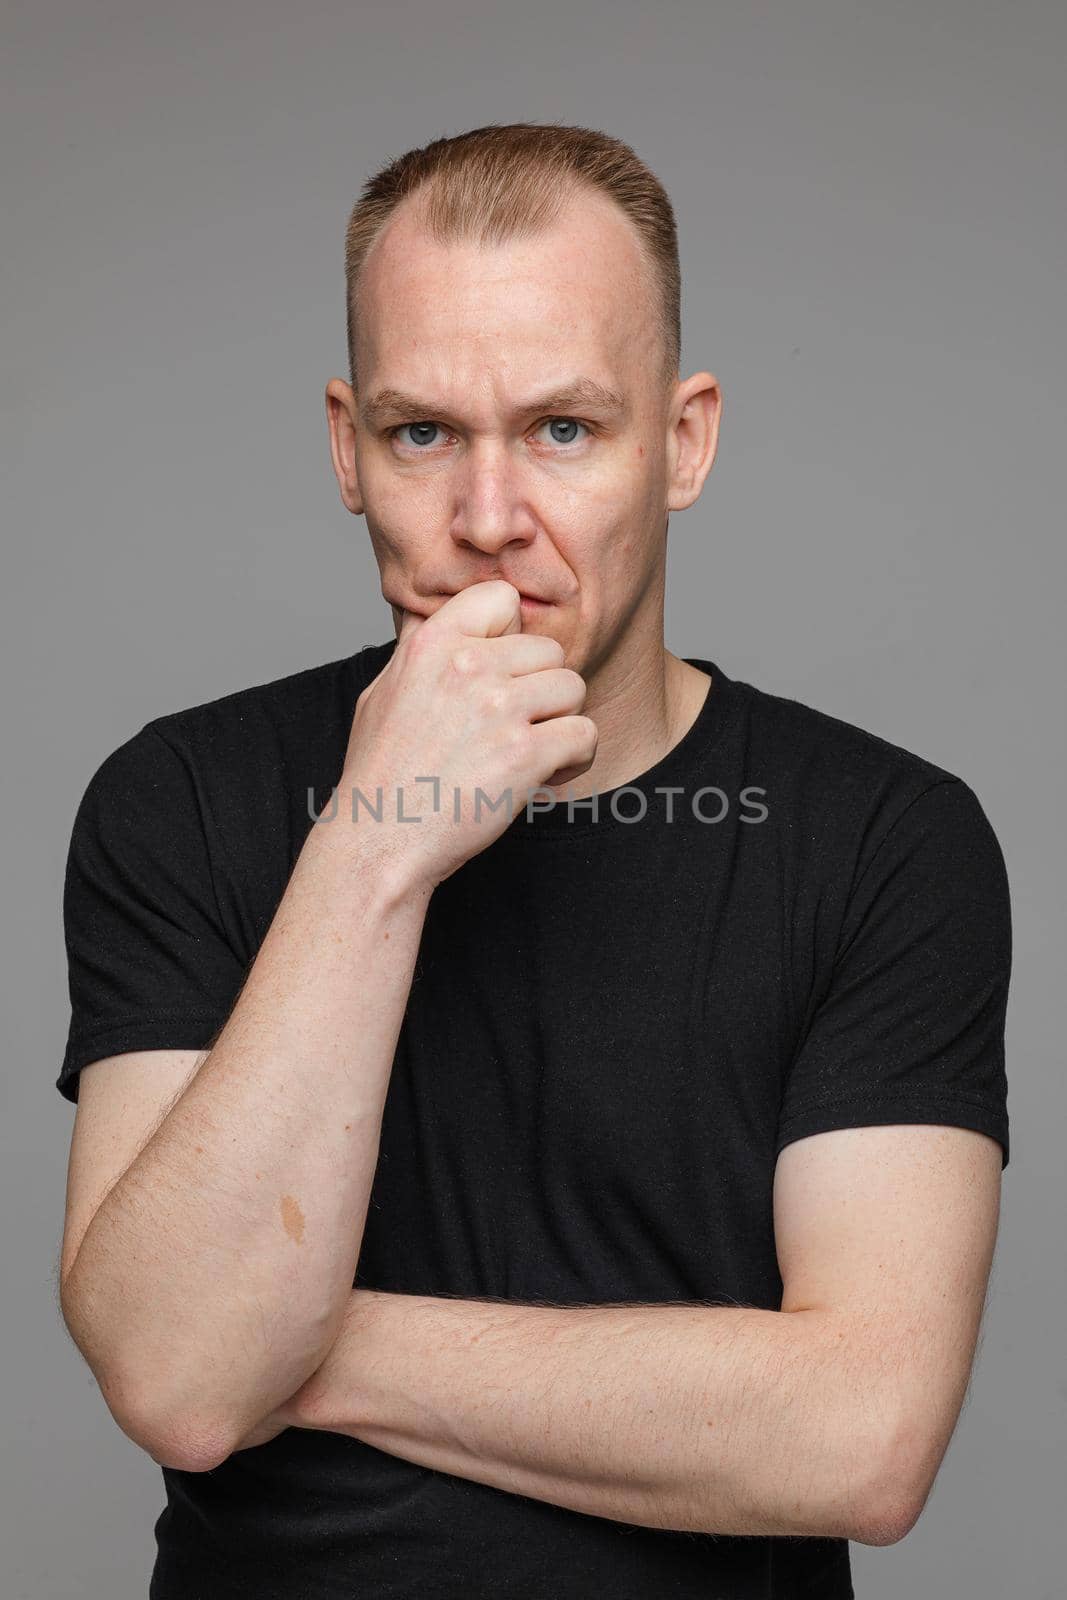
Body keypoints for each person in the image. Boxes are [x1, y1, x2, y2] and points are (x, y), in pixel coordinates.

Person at [56, 123, 1011, 1600]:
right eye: (420, 433)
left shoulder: (887, 840)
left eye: (565, 430)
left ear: (681, 442)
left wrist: (290, 1338)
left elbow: (860, 1439)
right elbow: (184, 1385)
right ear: (343, 446)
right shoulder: (180, 799)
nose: (489, 522)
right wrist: (373, 843)